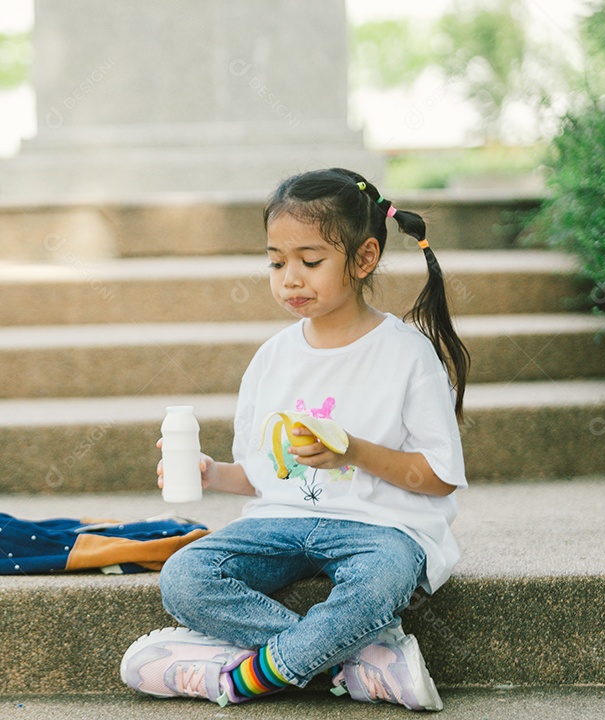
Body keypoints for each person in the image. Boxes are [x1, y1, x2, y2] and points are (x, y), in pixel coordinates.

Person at [119, 168, 470, 711]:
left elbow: (439, 477)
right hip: (280, 523)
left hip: (378, 528)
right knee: (184, 576)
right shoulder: (273, 357)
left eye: (310, 261)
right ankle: (354, 663)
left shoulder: (406, 354)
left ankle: (246, 676)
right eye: (277, 263)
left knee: (382, 581)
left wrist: (353, 451)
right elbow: (264, 475)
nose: (290, 280)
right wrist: (212, 474)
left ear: (364, 258)